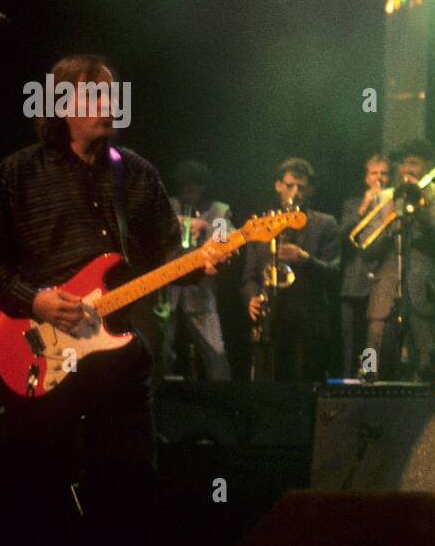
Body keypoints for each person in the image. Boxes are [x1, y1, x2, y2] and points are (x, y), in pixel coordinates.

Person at [0, 53, 228, 546]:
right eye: (94, 97)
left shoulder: (135, 175)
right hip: (38, 354)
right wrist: (36, 301)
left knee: (129, 486)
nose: (110, 106)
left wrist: (202, 262)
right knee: (38, 498)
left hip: (117, 357)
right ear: (62, 107)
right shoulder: (17, 174)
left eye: (113, 95)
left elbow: (169, 257)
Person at [363, 139, 435, 379]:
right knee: (371, 364)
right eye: (403, 164)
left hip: (425, 297)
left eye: (414, 163)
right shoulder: (384, 198)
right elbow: (367, 250)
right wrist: (388, 223)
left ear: (428, 165)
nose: (407, 169)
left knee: (429, 367)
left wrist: (423, 209)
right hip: (384, 299)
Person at [241, 157, 340, 382]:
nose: (295, 192)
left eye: (301, 187)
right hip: (271, 321)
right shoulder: (261, 224)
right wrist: (252, 299)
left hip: (309, 322)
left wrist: (305, 259)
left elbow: (334, 273)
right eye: (289, 186)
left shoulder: (325, 223)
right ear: (278, 186)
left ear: (310, 190)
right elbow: (249, 276)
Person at [161, 159, 232, 381]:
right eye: (184, 185)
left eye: (194, 185)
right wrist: (178, 223)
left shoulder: (218, 210)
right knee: (161, 351)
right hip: (168, 290)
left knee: (215, 353)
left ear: (203, 186)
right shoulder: (168, 205)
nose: (188, 190)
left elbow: (227, 238)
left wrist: (206, 226)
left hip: (200, 291)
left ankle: (223, 398)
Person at [338, 153, 390, 376]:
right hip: (354, 286)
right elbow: (341, 236)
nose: (379, 178)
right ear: (366, 178)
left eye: (384, 173)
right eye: (374, 173)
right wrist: (365, 207)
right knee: (351, 343)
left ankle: (369, 381)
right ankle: (349, 385)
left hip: (380, 285)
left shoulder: (393, 204)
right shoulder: (352, 205)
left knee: (372, 347)